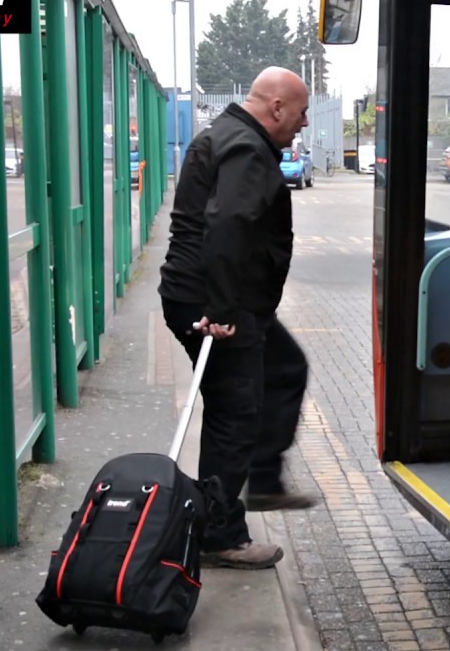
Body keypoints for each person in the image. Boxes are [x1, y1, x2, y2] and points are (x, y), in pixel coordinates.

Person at [158, 66, 319, 570]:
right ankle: (219, 535)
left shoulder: (226, 135)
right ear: (275, 108)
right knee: (234, 415)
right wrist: (222, 312)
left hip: (224, 300)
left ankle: (264, 479)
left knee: (286, 367)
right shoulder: (247, 148)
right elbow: (227, 224)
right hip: (216, 304)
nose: (305, 121)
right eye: (301, 111)